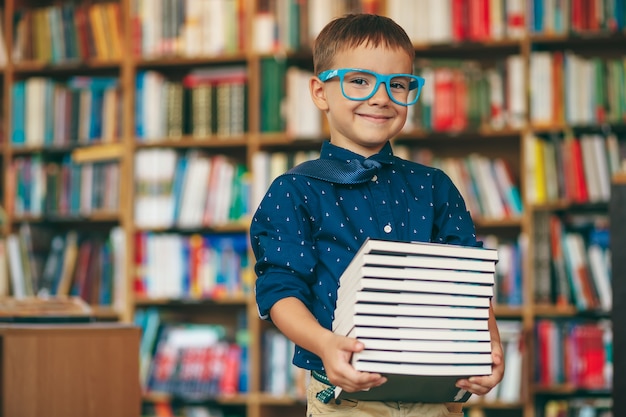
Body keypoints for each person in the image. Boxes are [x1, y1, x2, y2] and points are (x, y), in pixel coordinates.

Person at [250, 13, 504, 417]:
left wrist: (486, 346)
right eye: (359, 81)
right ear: (320, 92)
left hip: (436, 397)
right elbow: (280, 290)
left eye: (398, 84)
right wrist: (324, 343)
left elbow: (467, 282)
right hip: (343, 398)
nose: (381, 97)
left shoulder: (434, 186)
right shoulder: (294, 190)